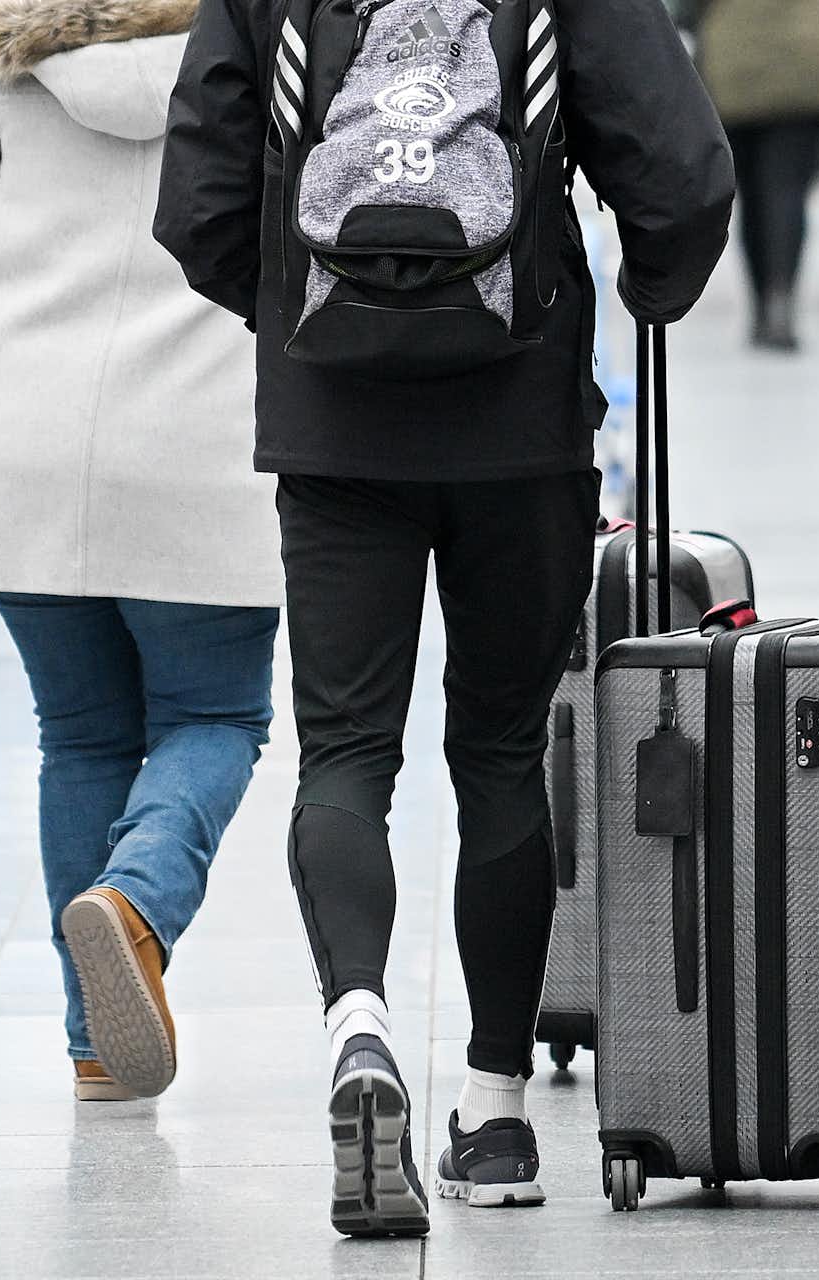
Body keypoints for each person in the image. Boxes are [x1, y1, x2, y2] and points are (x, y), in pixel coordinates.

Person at [156, 0, 732, 1236]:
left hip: (334, 422)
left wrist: (319, 318)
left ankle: (357, 1024)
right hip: (520, 418)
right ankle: (496, 1102)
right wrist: (643, 283)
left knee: (349, 750)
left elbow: (197, 199)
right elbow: (681, 167)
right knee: (503, 753)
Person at [0, 0, 283, 1104]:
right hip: (203, 443)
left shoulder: (6, 61)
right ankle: (137, 900)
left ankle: (94, 1042)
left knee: (79, 734)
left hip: (16, 443)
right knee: (213, 717)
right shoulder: (257, 54)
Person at [683, 0, 819, 351]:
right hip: (808, 58)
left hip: (735, 62)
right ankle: (781, 299)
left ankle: (762, 304)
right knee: (789, 191)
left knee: (750, 194)